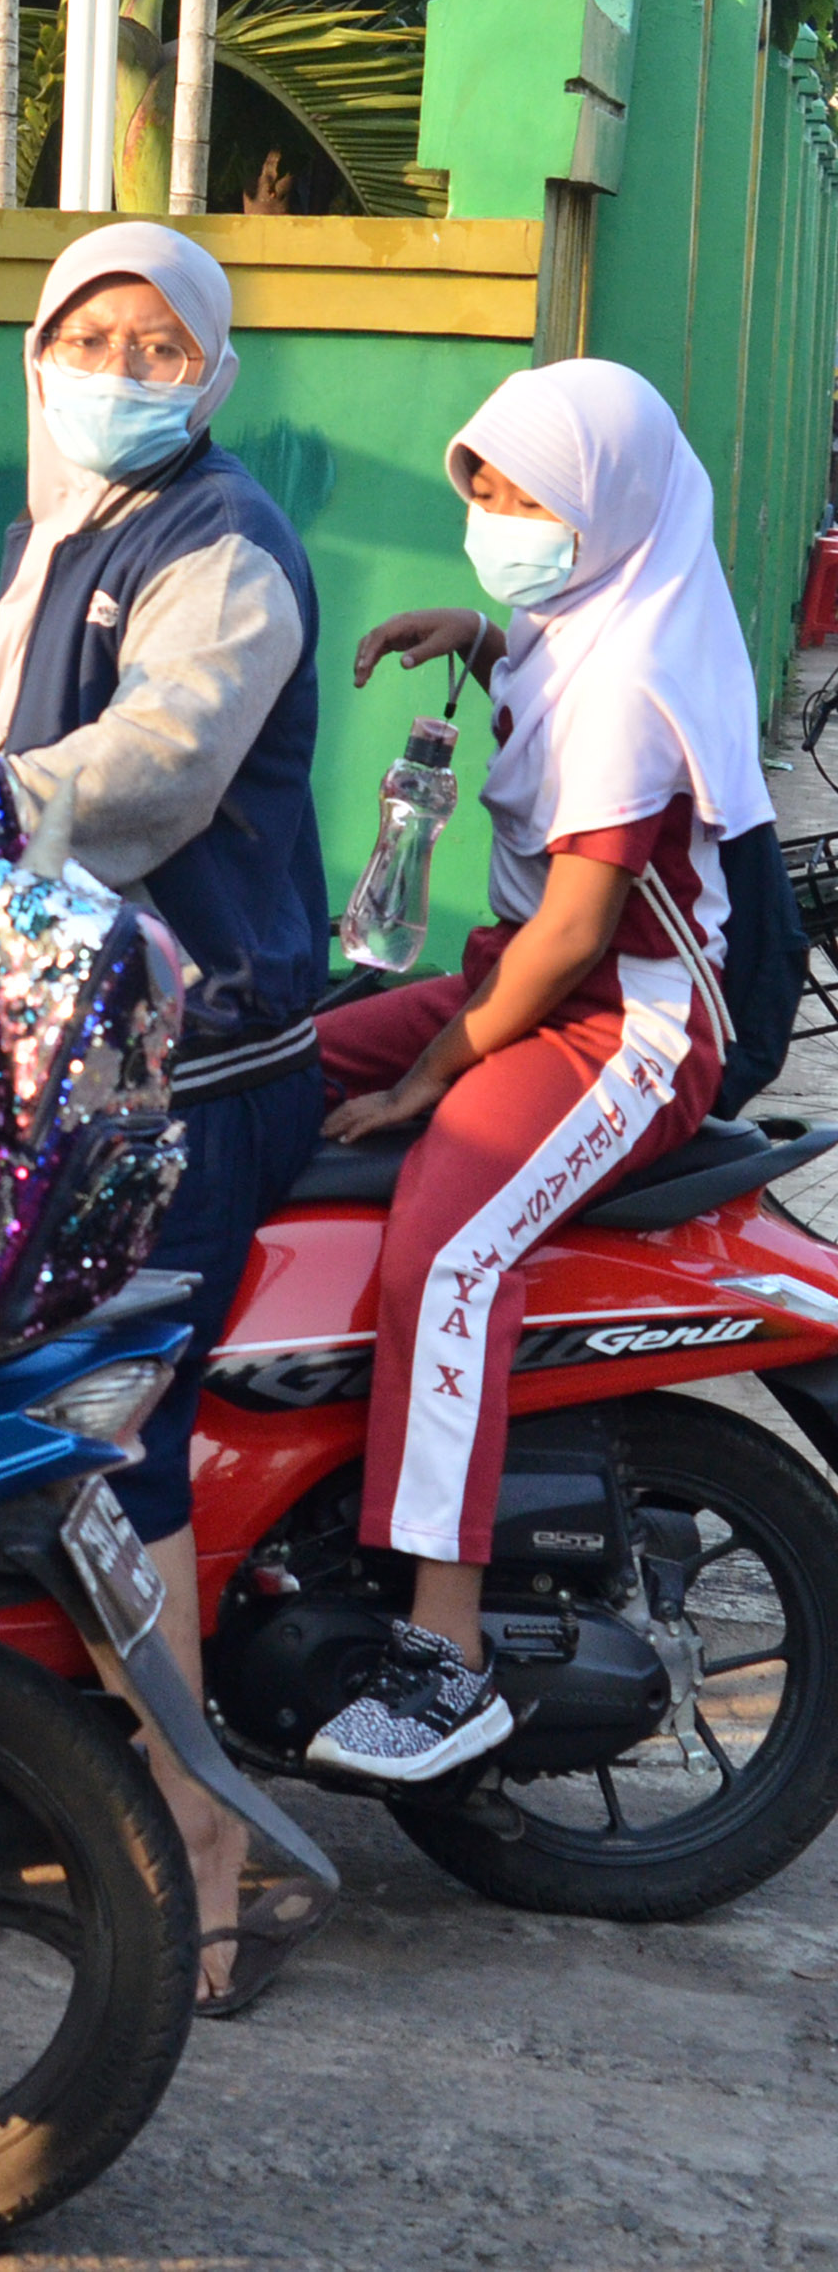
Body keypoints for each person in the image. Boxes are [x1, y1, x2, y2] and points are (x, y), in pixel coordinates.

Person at [0, 223, 331, 2012]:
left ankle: (208, 1847)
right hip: (86, 1039)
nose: (120, 368)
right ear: (39, 355)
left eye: (158, 344)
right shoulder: (61, 531)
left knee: (124, 1439)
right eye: (91, 336)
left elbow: (162, 763)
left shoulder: (225, 549)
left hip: (203, 1069)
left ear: (214, 370)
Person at [304, 360, 767, 1780]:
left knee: (448, 1251)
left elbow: (575, 933)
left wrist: (434, 1071)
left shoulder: (629, 670)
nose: (497, 519)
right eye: (482, 489)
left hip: (622, 1022)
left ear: (607, 506)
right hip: (526, 974)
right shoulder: (589, 609)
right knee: (270, 1069)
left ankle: (445, 1659)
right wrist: (487, 637)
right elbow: (548, 665)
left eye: (525, 497)